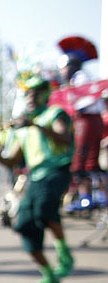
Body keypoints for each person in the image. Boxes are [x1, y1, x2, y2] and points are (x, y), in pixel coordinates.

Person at [0, 75, 74, 283]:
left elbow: (64, 138)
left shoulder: (53, 114)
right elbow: (11, 160)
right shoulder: (25, 126)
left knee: (44, 211)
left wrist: (36, 125)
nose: (31, 96)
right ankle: (49, 277)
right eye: (28, 92)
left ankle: (64, 255)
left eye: (36, 91)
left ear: (45, 93)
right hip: (35, 177)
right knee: (24, 225)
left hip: (55, 172)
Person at [58, 49, 105, 211]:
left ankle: (87, 198)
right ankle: (96, 196)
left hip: (86, 121)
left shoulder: (80, 79)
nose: (62, 71)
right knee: (90, 162)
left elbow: (82, 100)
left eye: (64, 67)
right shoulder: (77, 80)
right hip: (91, 121)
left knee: (80, 162)